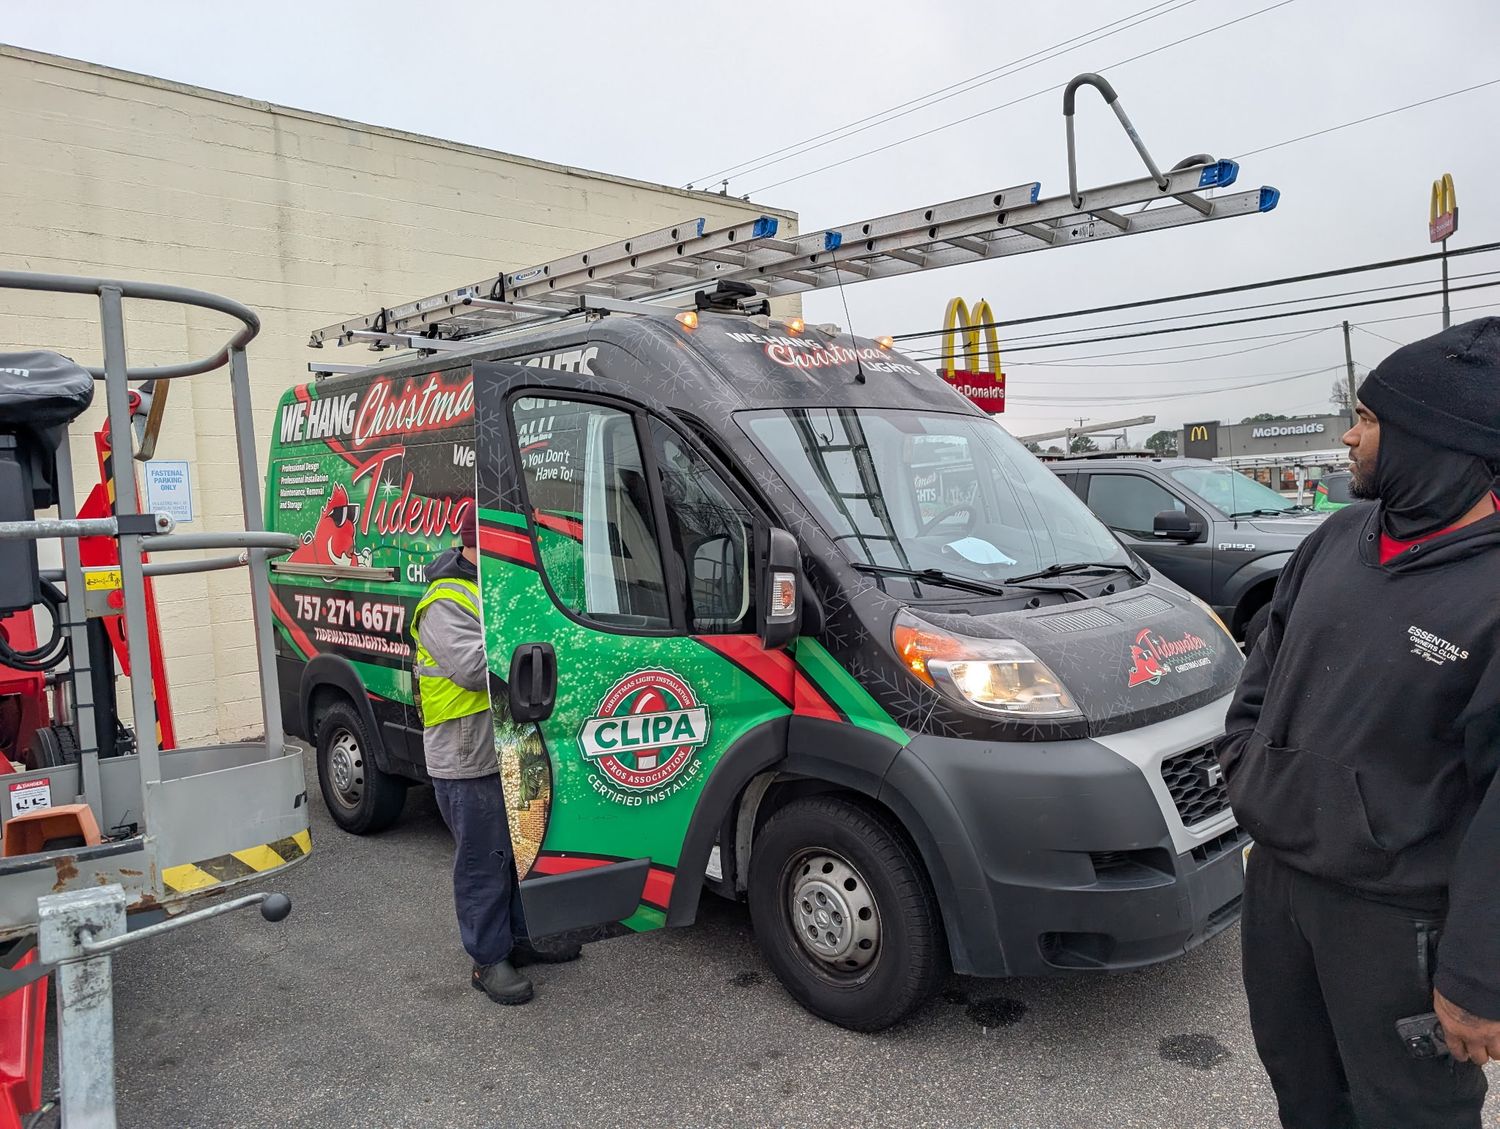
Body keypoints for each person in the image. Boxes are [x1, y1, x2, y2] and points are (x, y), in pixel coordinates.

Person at [1217, 317, 1500, 1128]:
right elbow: (1262, 670)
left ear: (1437, 442)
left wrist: (1478, 973)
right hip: (1280, 884)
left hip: (1397, 918)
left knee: (1411, 1113)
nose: (1349, 434)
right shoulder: (1337, 537)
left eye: (1370, 419)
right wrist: (1250, 771)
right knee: (1304, 1091)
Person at [412, 509, 579, 1005]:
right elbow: (471, 669)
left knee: (522, 853)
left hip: (512, 746)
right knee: (483, 862)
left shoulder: (500, 589)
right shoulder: (445, 600)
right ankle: (488, 960)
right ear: (477, 544)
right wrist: (540, 639)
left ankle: (522, 940)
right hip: (468, 757)